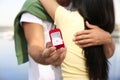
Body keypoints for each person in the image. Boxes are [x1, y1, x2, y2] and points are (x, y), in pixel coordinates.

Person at [14, 0, 115, 80]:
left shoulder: (77, 11)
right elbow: (34, 46)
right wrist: (43, 56)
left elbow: (105, 54)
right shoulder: (34, 7)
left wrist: (107, 39)